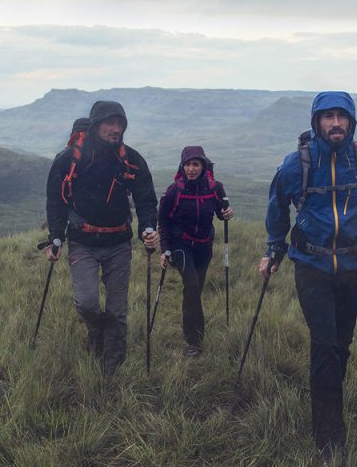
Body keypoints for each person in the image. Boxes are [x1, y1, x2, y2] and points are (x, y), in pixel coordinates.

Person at [259, 90, 357, 458]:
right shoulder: (297, 165)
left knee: (342, 343)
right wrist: (273, 250)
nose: (335, 123)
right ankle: (329, 438)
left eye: (342, 116)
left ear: (351, 121)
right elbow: (278, 211)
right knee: (324, 345)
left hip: (354, 266)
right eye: (328, 117)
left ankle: (328, 399)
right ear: (316, 122)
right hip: (311, 266)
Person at [45, 101, 158, 375]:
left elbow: (146, 200)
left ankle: (112, 369)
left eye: (120, 124)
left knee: (117, 311)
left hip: (119, 243)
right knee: (87, 303)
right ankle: (95, 331)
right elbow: (56, 201)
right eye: (110, 123)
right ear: (96, 125)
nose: (116, 129)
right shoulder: (70, 159)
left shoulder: (131, 159)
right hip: (82, 242)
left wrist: (148, 229)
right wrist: (55, 237)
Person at [157, 146, 234, 357]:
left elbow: (220, 213)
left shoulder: (215, 188)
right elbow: (163, 222)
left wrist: (226, 213)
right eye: (187, 164)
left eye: (195, 164)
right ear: (182, 166)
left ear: (203, 166)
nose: (191, 169)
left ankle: (194, 335)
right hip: (180, 245)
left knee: (195, 290)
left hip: (204, 246)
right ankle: (194, 342)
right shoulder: (174, 191)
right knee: (191, 286)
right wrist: (164, 250)